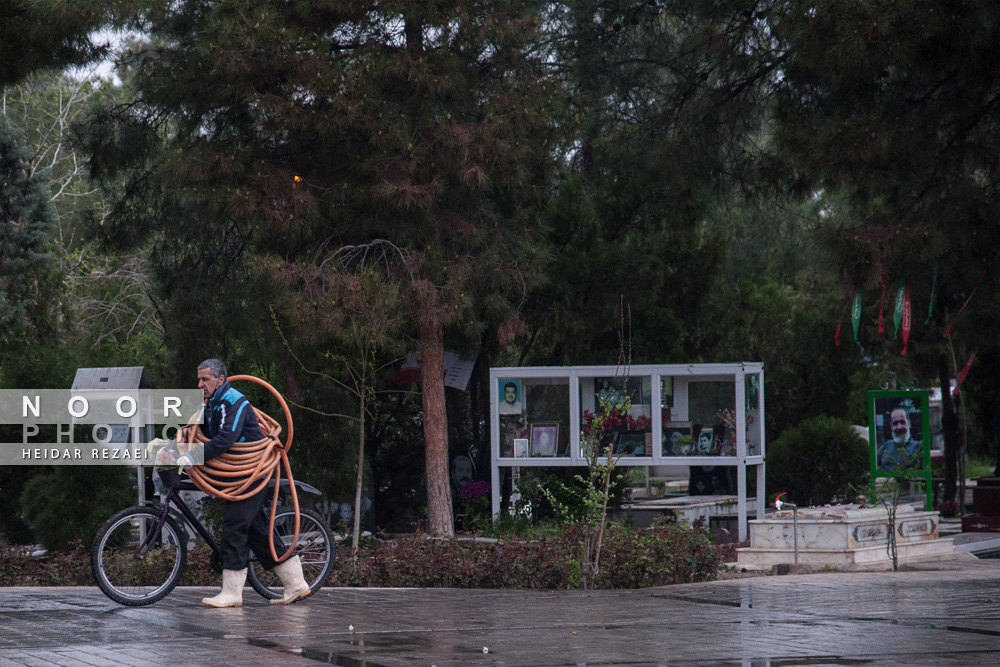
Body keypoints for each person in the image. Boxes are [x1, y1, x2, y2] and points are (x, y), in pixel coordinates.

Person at [179, 359, 310, 607]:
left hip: (252, 474)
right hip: (238, 477)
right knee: (258, 532)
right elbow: (199, 431)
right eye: (198, 379)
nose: (200, 384)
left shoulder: (233, 401)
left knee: (234, 526)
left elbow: (225, 439)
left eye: (204, 379)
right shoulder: (211, 404)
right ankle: (296, 584)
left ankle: (232, 593)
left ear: (220, 380)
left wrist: (192, 455)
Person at [877, 406, 922, 471]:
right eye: (895, 423)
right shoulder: (887, 445)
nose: (899, 427)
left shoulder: (918, 447)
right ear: (891, 426)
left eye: (902, 422)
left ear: (909, 423)